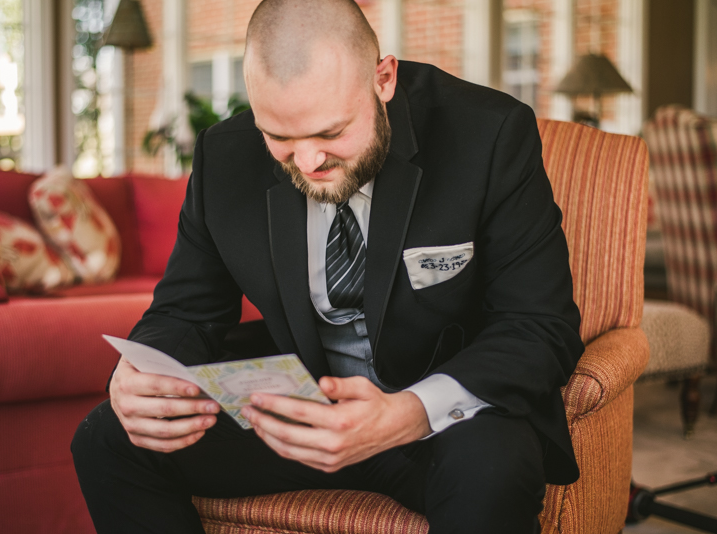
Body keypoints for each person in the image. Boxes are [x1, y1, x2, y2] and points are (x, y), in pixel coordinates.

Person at [71, 0, 585, 532]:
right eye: (281, 138)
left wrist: (405, 413)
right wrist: (139, 378)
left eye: (332, 133)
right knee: (108, 438)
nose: (309, 163)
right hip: (300, 414)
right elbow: (185, 313)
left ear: (383, 79)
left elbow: (540, 327)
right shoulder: (224, 156)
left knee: (494, 468)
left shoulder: (489, 134)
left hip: (437, 423)